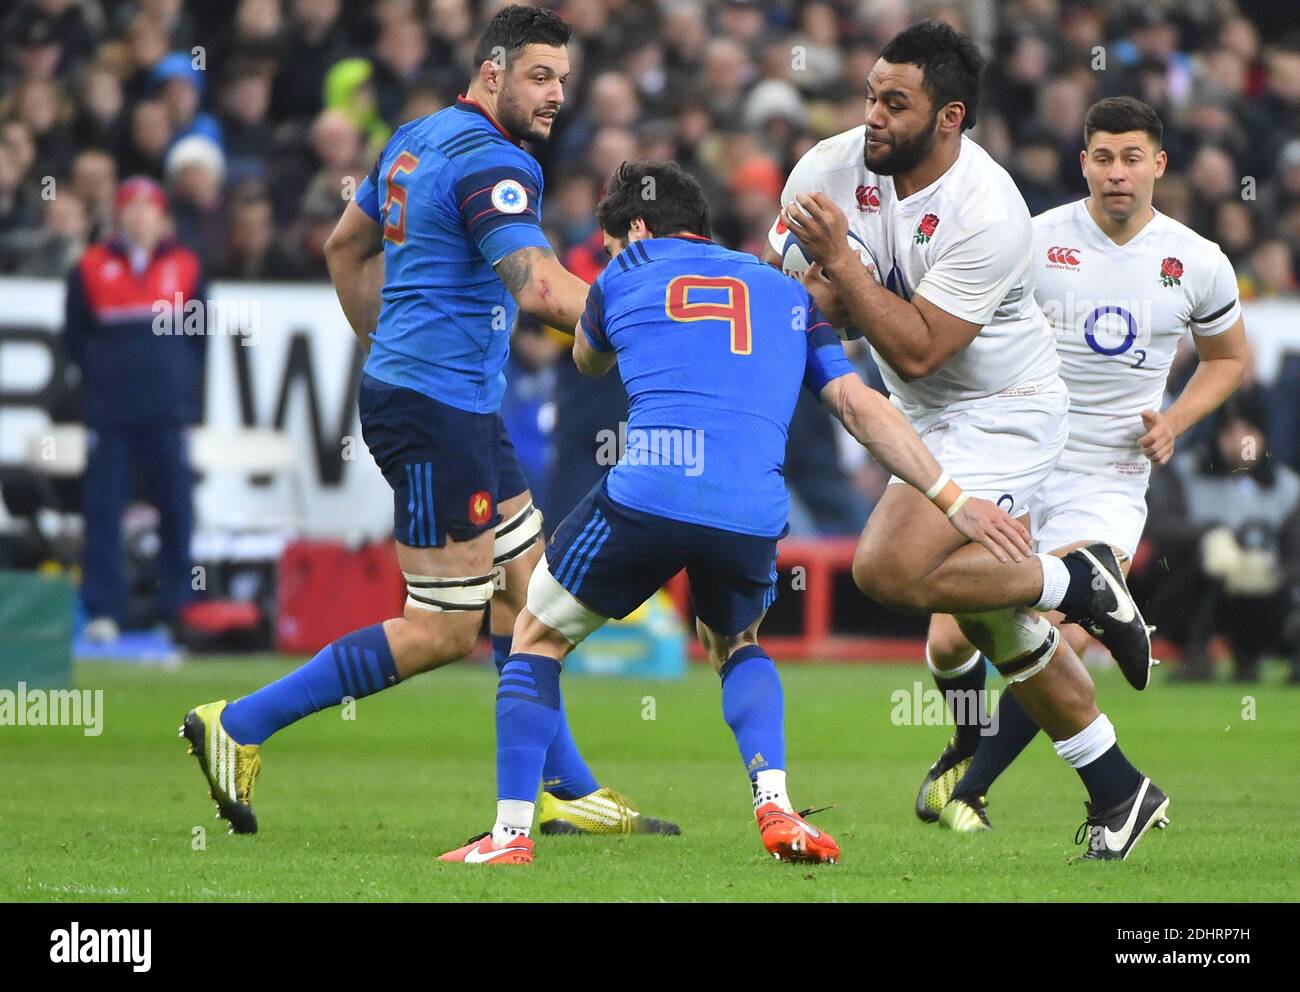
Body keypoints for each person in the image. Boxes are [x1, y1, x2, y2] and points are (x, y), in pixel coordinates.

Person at [440, 160, 1031, 866]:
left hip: (649, 491)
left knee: (535, 638)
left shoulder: (621, 276)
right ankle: (777, 807)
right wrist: (952, 499)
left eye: (610, 241)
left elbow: (589, 361)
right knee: (737, 644)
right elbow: (855, 404)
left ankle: (507, 837)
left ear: (634, 228)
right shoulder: (786, 293)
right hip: (750, 508)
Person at [179, 6, 675, 839]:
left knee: (534, 597)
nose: (556, 95)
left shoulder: (416, 138)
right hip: (435, 414)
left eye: (563, 78)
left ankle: (566, 787)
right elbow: (542, 290)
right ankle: (239, 723)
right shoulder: (495, 165)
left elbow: (345, 248)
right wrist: (664, 325)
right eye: (539, 76)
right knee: (443, 631)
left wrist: (387, 343)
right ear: (492, 71)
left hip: (455, 405)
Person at [768, 21, 1166, 859]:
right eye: (871, 95)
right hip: (920, 410)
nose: (871, 116)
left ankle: (1074, 580)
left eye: (895, 103)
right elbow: (806, 300)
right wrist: (823, 281)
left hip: (1005, 409)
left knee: (885, 568)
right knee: (997, 628)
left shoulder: (990, 210)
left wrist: (839, 259)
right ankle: (1119, 788)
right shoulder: (826, 170)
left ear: (949, 117)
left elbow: (917, 344)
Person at [919, 96, 1248, 831]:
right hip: (1022, 458)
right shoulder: (1034, 242)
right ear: (1084, 164)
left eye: (1133, 158)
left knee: (1044, 625)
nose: (1117, 174)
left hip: (1110, 475)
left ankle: (977, 784)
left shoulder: (1197, 261)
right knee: (948, 635)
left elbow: (1228, 359)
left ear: (1159, 164)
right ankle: (971, 741)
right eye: (1103, 157)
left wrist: (1177, 420)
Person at [66, 176, 205, 643]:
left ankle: (175, 609)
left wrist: (185, 401)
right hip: (111, 414)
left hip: (167, 412)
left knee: (176, 511)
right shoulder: (89, 267)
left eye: (148, 207)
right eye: (131, 206)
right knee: (103, 511)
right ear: (118, 214)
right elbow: (75, 339)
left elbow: (198, 342)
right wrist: (105, 385)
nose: (139, 216)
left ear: (162, 217)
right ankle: (104, 609)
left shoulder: (186, 267)